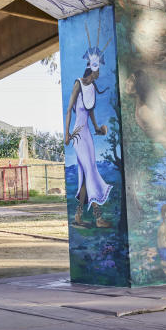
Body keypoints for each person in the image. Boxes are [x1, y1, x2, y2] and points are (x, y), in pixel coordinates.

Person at [63, 45, 112, 227]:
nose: (98, 72)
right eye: (97, 69)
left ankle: (78, 215)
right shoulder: (79, 83)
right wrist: (66, 134)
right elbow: (69, 110)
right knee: (90, 170)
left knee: (85, 173)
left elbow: (90, 112)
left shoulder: (92, 87)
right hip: (77, 135)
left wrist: (98, 128)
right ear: (91, 69)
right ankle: (98, 217)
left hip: (87, 134)